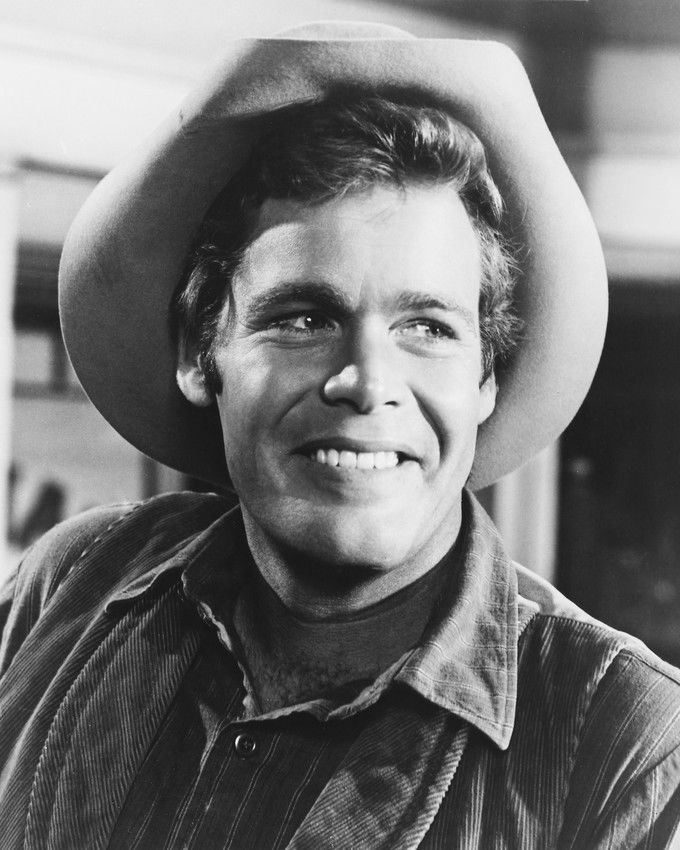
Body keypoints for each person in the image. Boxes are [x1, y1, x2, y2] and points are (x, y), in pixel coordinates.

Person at [1, 22, 679, 850]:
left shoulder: (626, 747)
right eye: (304, 318)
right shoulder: (71, 585)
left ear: (484, 379)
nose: (365, 380)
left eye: (427, 327)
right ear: (200, 352)